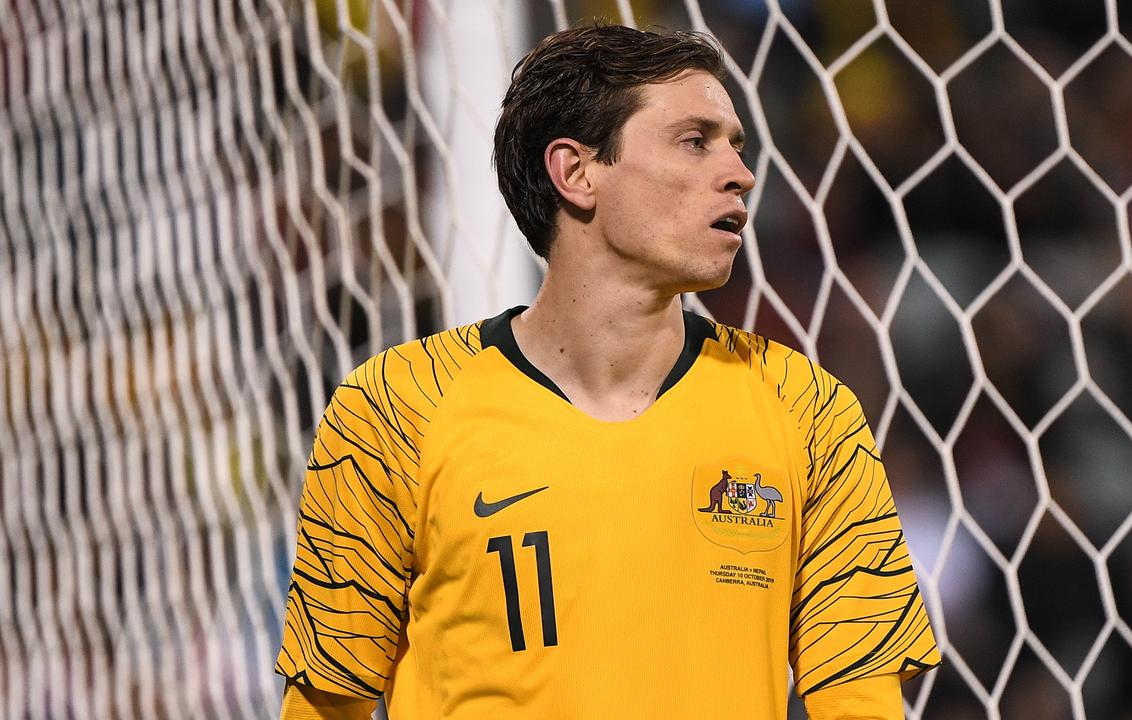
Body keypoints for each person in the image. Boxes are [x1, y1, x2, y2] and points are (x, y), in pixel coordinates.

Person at [275, 22, 940, 720]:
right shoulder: (392, 408)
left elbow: (862, 705)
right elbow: (326, 705)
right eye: (696, 141)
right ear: (576, 172)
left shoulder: (810, 413)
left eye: (736, 147)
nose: (741, 173)